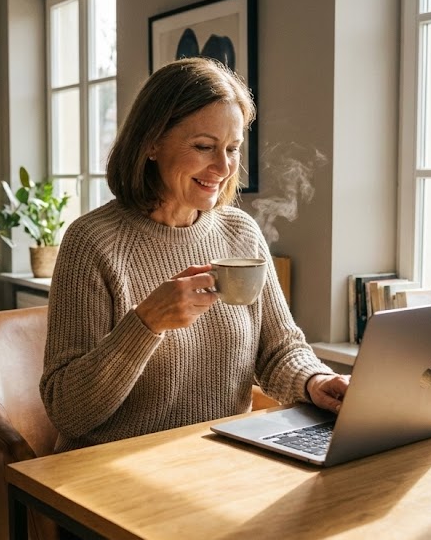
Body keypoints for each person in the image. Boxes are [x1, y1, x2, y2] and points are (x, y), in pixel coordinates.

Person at [40, 57, 350, 453]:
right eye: (204, 146)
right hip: (113, 468)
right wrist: (146, 323)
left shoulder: (240, 232)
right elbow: (67, 411)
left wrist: (316, 382)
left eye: (233, 148)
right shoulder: (92, 242)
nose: (223, 167)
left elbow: (278, 351)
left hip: (218, 461)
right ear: (151, 142)